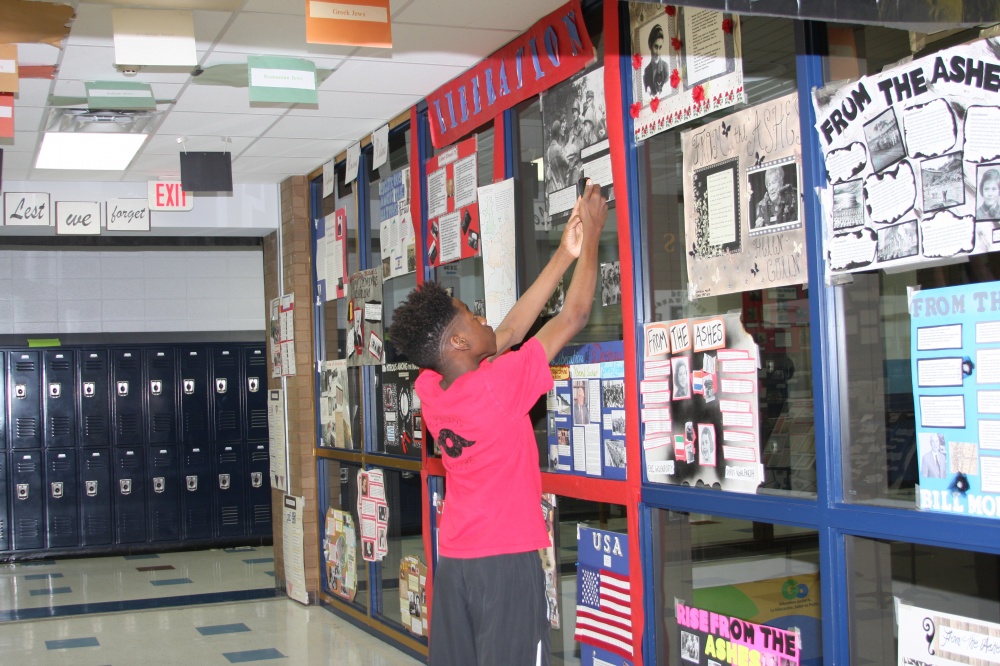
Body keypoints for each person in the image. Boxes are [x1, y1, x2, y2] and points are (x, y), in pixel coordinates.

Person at [389, 182, 608, 666]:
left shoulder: (431, 388)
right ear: (459, 346)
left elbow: (506, 333)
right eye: (470, 317)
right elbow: (574, 315)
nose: (482, 317)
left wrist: (563, 257)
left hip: (458, 559)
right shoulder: (498, 388)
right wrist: (591, 234)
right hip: (506, 561)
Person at [643, 24, 668, 97]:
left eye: (660, 47)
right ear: (650, 45)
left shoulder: (665, 67)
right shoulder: (646, 71)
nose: (658, 52)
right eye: (655, 47)